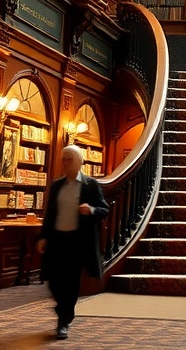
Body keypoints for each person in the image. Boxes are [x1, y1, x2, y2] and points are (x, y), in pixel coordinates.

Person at [37, 144, 108, 341]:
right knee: (53, 282)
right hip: (56, 239)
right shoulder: (56, 185)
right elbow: (50, 214)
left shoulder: (90, 185)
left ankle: (64, 321)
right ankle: (63, 308)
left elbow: (104, 209)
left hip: (76, 241)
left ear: (79, 161)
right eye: (63, 158)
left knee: (70, 283)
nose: (65, 162)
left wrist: (91, 210)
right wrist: (43, 236)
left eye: (69, 158)